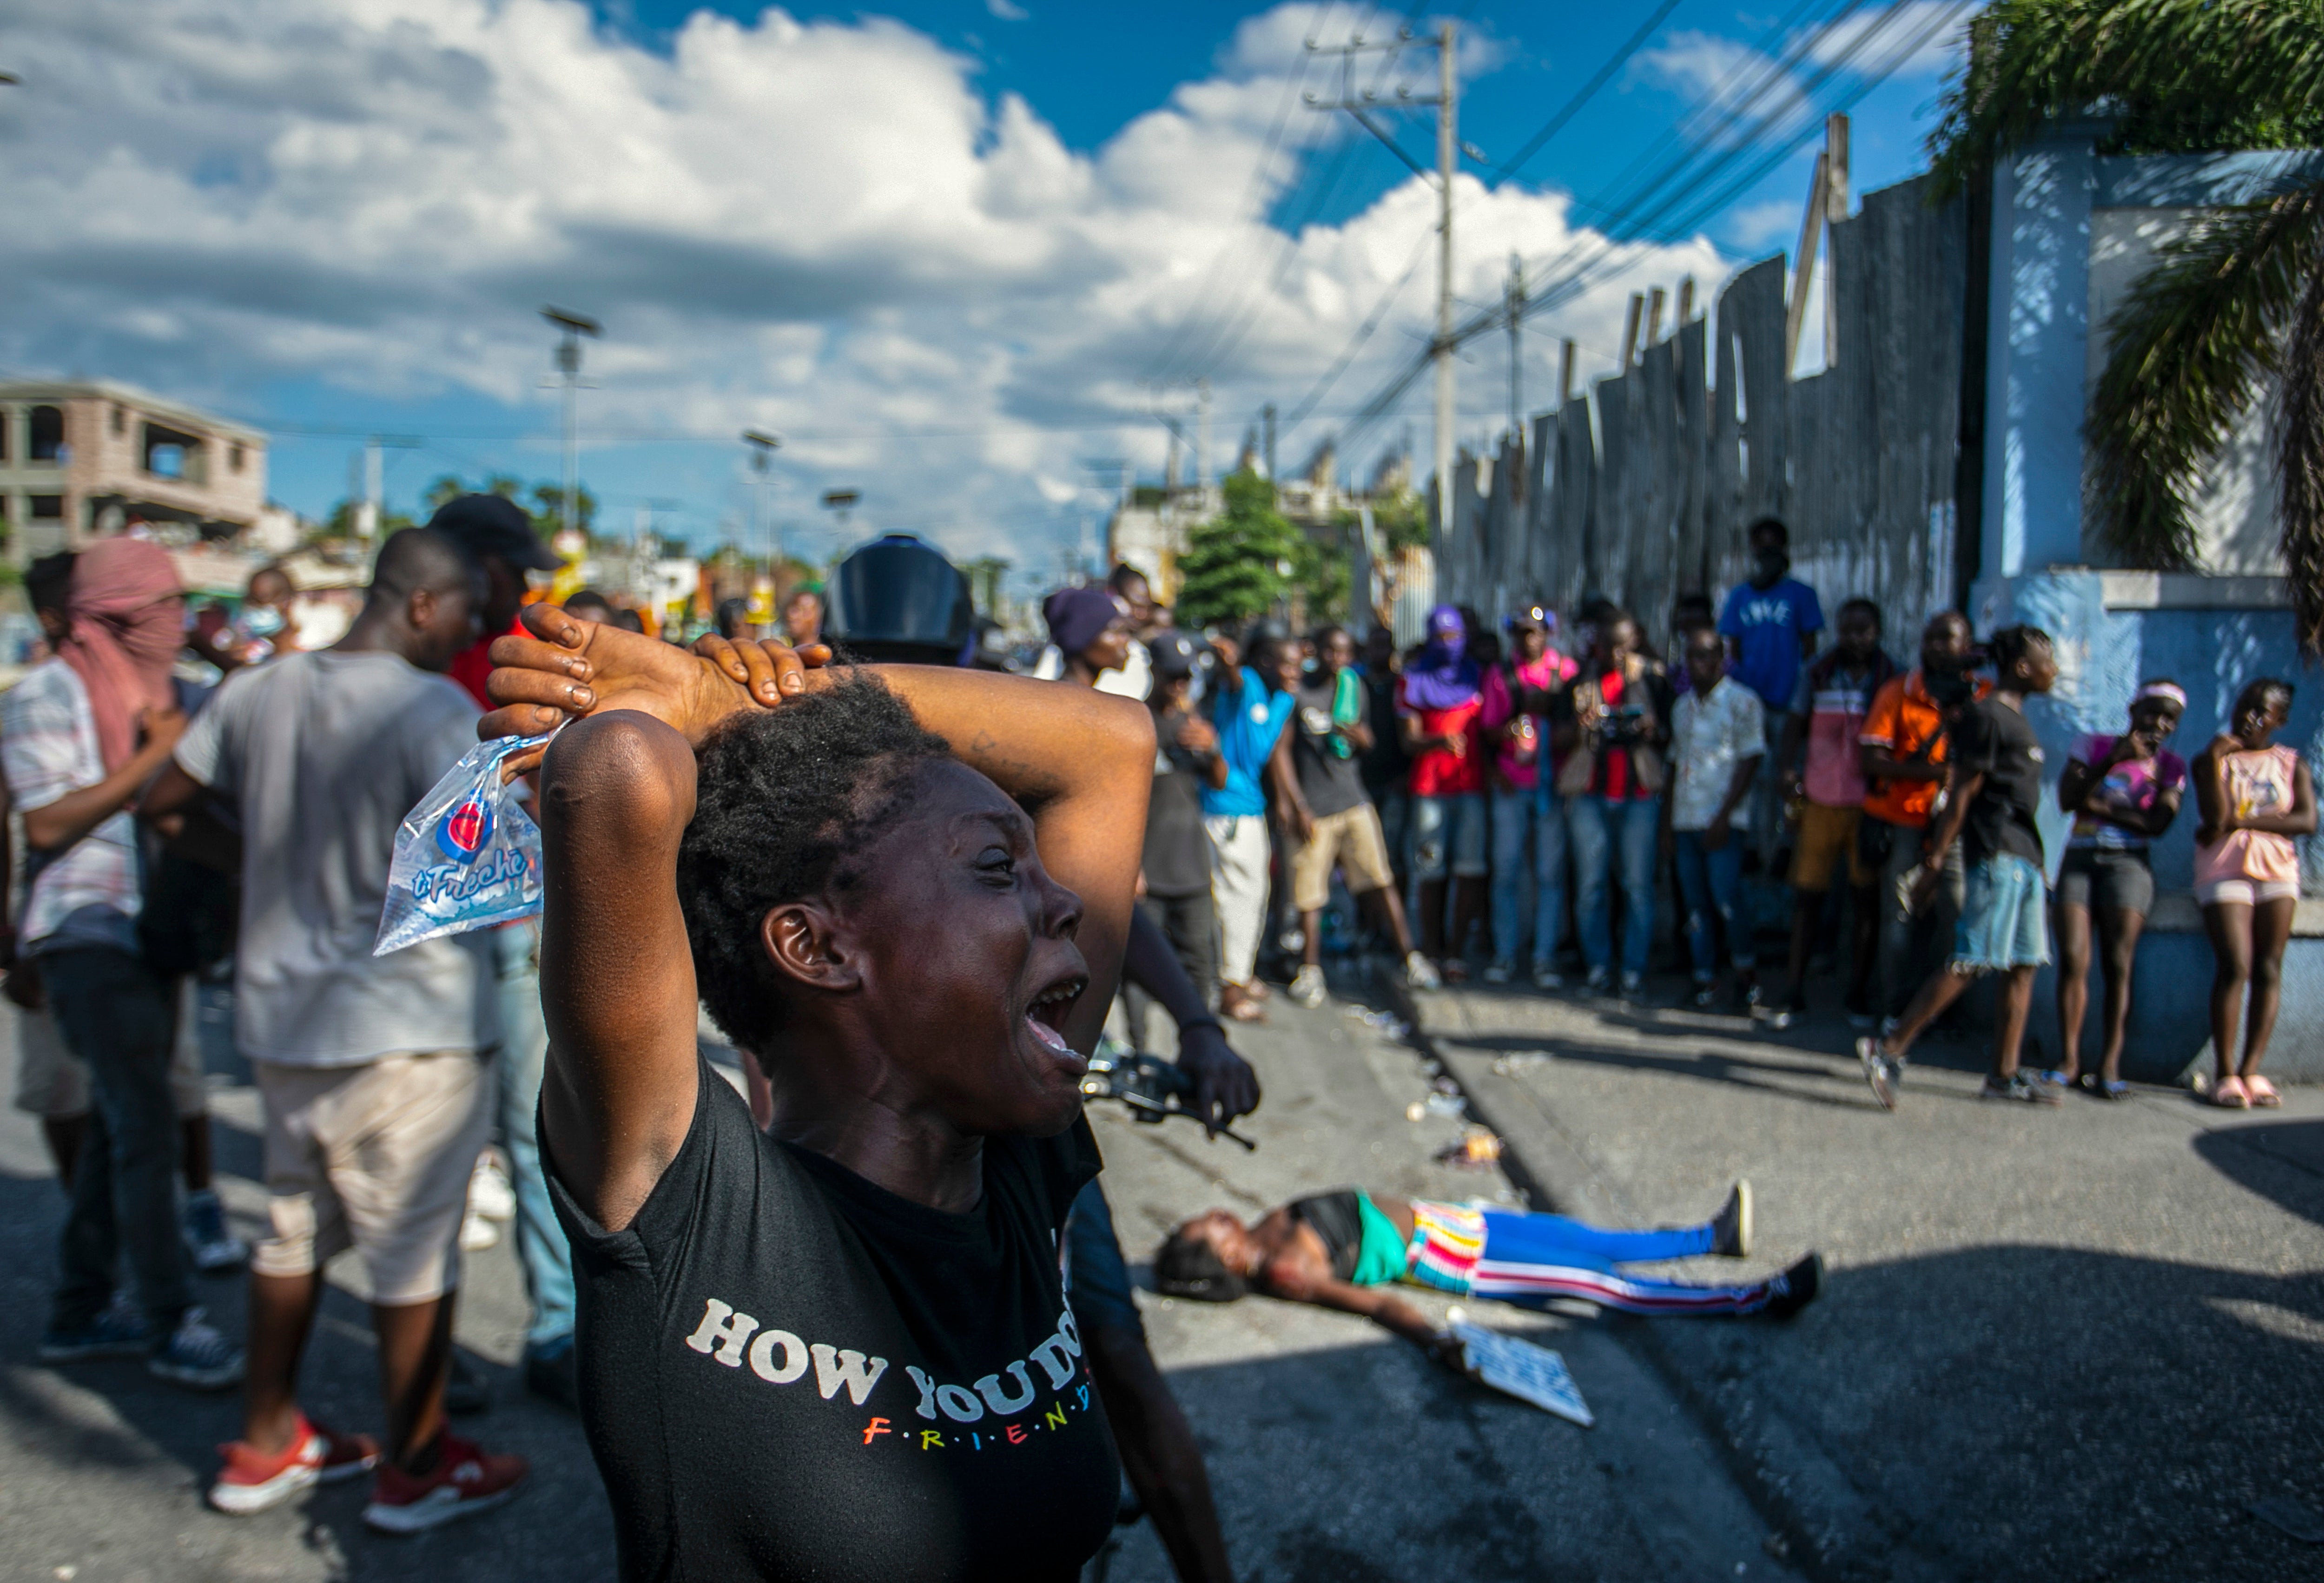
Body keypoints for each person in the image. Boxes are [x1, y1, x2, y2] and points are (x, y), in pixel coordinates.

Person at [478, 606, 1156, 1582]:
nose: (1062, 901)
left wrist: (729, 695)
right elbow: (618, 766)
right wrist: (728, 716)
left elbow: (1111, 743)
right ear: (819, 946)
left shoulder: (1012, 1152)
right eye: (1000, 868)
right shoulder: (695, 1213)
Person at [149, 529, 528, 1527]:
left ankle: (266, 1438)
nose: (466, 635)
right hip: (409, 1025)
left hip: (284, 1019)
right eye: (460, 614)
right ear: (419, 605)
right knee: (414, 1253)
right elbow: (490, 868)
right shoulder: (433, 705)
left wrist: (262, 861)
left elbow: (167, 803)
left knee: (290, 1229)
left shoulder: (257, 691)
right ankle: (416, 1460)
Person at [1041, 616, 1254, 1583]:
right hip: (889, 1140)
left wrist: (1199, 1028)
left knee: (1117, 1354)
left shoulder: (1029, 739)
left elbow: (1103, 906)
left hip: (1025, 1128)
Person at [8, 537, 245, 1390]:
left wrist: (212, 664)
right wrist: (155, 757)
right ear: (114, 615)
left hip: (158, 933)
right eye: (164, 608)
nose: (178, 621)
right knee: (144, 1126)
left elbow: (242, 730)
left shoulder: (183, 692)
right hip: (84, 929)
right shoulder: (49, 693)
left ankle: (78, 1308)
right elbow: (43, 823)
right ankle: (168, 1317)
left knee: (120, 1130)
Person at [431, 494, 578, 1412]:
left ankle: (556, 1326)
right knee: (454, 1143)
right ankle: (442, 1343)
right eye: (513, 571)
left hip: (503, 929)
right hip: (458, 938)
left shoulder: (502, 655)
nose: (523, 589)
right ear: (479, 566)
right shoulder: (440, 667)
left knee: (524, 1134)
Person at [1155, 1183, 1819, 1350]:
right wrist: (1436, 1338)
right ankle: (1753, 1298)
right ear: (1224, 1257)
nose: (1215, 1214)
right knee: (1597, 1283)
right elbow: (1377, 1303)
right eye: (1205, 1228)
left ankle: (1714, 1235)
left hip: (1456, 1220)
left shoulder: (1267, 1230)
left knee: (1589, 1239)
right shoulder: (1285, 1272)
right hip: (1452, 1258)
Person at [1856, 627, 2061, 1110]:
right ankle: (1887, 1050)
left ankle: (2003, 1075)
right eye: (2046, 659)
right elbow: (1961, 794)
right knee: (1972, 958)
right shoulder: (1988, 718)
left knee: (2024, 964)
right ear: (2022, 667)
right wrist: (1933, 860)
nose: (2054, 668)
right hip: (1996, 856)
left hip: (2026, 857)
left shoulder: (2014, 718)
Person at [1268, 625, 1433, 1006]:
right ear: (1316, 650)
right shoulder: (1299, 693)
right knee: (1310, 894)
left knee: (1379, 878)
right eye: (1330, 652)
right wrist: (1297, 805)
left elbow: (1369, 741)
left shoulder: (1351, 688)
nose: (1337, 660)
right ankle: (1311, 971)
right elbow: (1282, 752)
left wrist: (1359, 737)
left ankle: (1411, 957)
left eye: (1344, 654)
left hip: (1352, 799)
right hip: (1315, 807)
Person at [2051, 681, 2188, 1098]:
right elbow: (2069, 798)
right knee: (2074, 959)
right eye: (2152, 713)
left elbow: (2158, 825)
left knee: (2119, 964)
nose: (2159, 725)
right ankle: (2070, 1060)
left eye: (2170, 719)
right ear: (2133, 710)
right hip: (2080, 858)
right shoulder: (2092, 745)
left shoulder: (2171, 767)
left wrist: (2100, 807)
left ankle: (2109, 1064)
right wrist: (2113, 759)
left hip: (2129, 865)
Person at [1768, 599, 1895, 1028]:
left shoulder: (1889, 677)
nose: (1855, 639)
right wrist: (1788, 768)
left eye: (1864, 630)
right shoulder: (1819, 672)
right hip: (1821, 797)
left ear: (1877, 632)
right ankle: (1793, 991)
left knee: (1865, 900)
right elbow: (1794, 723)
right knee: (1807, 896)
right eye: (1847, 630)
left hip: (1869, 803)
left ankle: (1858, 993)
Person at [2191, 679, 2314, 1109]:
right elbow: (2216, 816)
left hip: (2277, 869)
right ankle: (2225, 1074)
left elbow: (2305, 822)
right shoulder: (2211, 760)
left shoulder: (2290, 764)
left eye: (2262, 713)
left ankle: (2252, 1070)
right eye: (2245, 706)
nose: (2249, 718)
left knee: (2268, 964)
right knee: (2235, 963)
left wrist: (2243, 826)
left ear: (2280, 720)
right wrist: (2213, 758)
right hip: (2224, 867)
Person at [1858, 613, 1985, 1029]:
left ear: (1967, 644)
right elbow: (1873, 758)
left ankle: (1942, 1011)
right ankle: (1895, 1010)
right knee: (1898, 916)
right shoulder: (1899, 692)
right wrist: (1933, 775)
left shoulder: (1982, 696)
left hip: (1957, 826)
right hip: (1905, 822)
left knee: (1957, 913)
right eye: (1929, 638)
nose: (1935, 646)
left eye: (1946, 639)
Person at [1552, 609, 1673, 998]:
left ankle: (1633, 970)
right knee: (1591, 886)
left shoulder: (1652, 679)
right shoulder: (1579, 683)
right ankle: (1599, 967)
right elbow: (1555, 739)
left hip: (1638, 796)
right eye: (1609, 646)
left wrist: (1651, 729)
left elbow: (1672, 736)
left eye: (1623, 646)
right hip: (1591, 797)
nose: (1616, 654)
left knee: (1638, 886)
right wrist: (1581, 726)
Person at [1130, 631, 1226, 1042]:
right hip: (1148, 871)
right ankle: (1139, 1050)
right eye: (1173, 676)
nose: (1181, 684)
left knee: (1199, 963)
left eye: (1186, 676)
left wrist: (1215, 748)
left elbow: (1220, 783)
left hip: (1192, 869)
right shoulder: (1135, 723)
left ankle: (1199, 1047)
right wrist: (1129, 866)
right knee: (1139, 971)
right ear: (1155, 671)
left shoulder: (1195, 723)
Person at [1667, 626, 1765, 1009]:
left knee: (1727, 900)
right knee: (1695, 906)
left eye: (1708, 655)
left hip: (1723, 821)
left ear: (1722, 659)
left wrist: (1724, 817)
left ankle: (1747, 976)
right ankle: (1705, 979)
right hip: (1685, 820)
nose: (1700, 664)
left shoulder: (1743, 703)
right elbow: (1675, 765)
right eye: (1693, 656)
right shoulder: (1681, 707)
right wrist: (1667, 828)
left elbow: (1750, 758)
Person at [1204, 626, 1298, 1022]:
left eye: (1299, 663)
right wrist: (1231, 663)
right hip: (1227, 809)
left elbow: (1274, 753)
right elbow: (1234, 679)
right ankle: (1231, 989)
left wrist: (1287, 803)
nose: (1296, 670)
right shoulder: (1248, 684)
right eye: (1288, 663)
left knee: (1253, 896)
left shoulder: (1284, 698)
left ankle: (1240, 974)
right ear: (1265, 663)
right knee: (1234, 900)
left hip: (1251, 808)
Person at [1479, 607, 1576, 987]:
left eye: (1535, 632)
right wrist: (1508, 734)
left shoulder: (1565, 672)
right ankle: (1505, 953)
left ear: (1547, 634)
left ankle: (1545, 957)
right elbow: (1487, 731)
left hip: (1551, 784)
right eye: (1521, 633)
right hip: (1512, 783)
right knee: (1506, 869)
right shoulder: (1500, 675)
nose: (1529, 640)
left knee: (1550, 874)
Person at [1719, 519, 1824, 863]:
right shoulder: (1740, 595)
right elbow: (1732, 648)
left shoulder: (1801, 595)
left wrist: (1804, 699)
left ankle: (1785, 845)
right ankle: (1752, 841)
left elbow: (1810, 648)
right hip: (1752, 701)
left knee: (1786, 771)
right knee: (1753, 774)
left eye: (1772, 544)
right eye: (1759, 544)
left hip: (1787, 701)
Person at [1399, 606, 1488, 979]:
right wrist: (1438, 741)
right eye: (1442, 637)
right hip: (1431, 789)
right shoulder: (1413, 680)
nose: (1449, 644)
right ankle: (1431, 949)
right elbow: (1408, 740)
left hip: (1470, 787)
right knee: (1430, 869)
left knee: (1469, 869)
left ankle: (1457, 952)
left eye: (1455, 637)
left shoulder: (1477, 677)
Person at [1356, 626, 1412, 889]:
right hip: (1363, 784)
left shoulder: (1402, 685)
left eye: (1384, 645)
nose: (1379, 651)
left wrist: (1406, 776)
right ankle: (1368, 923)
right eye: (1374, 645)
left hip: (1395, 783)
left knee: (1394, 856)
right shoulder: (1357, 687)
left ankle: (1392, 921)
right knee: (1362, 858)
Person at [1042, 585, 1132, 691]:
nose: (1125, 640)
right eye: (1116, 632)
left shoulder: (1085, 695)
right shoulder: (1068, 700)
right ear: (1083, 639)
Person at [780, 585, 823, 649]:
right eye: (791, 609)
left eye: (801, 609)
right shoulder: (783, 651)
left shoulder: (829, 654)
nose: (791, 615)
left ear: (817, 618)